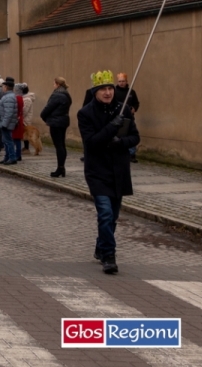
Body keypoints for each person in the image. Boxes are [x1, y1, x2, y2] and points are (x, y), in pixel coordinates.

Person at [77, 70, 140, 275]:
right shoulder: (85, 114)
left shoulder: (123, 111)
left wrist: (121, 142)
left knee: (112, 217)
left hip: (119, 170)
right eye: (103, 89)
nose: (107, 92)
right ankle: (109, 256)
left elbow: (135, 137)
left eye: (110, 88)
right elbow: (92, 143)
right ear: (95, 91)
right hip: (97, 170)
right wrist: (111, 128)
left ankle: (101, 246)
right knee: (104, 213)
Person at [40, 76, 72, 177]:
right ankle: (62, 167)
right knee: (62, 145)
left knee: (59, 146)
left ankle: (60, 168)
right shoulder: (66, 94)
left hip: (56, 122)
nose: (53, 85)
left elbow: (48, 108)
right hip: (63, 121)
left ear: (57, 84)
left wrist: (44, 117)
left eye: (54, 83)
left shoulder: (57, 95)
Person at [114, 73, 140, 163]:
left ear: (126, 81)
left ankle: (132, 154)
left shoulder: (131, 92)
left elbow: (136, 103)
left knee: (131, 134)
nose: (121, 83)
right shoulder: (114, 92)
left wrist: (134, 108)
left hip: (129, 117)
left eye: (123, 81)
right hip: (118, 117)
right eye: (119, 81)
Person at [0, 77, 18, 164]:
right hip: (3, 123)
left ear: (6, 87)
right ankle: (7, 157)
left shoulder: (9, 98)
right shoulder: (7, 96)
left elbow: (9, 112)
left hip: (5, 124)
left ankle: (12, 157)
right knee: (5, 141)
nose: (2, 88)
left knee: (8, 141)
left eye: (3, 86)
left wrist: (4, 124)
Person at [19, 83, 36, 151]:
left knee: (27, 134)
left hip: (26, 119)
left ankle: (27, 148)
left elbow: (24, 110)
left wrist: (20, 117)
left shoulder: (27, 99)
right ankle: (25, 147)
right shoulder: (24, 98)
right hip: (24, 118)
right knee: (25, 134)